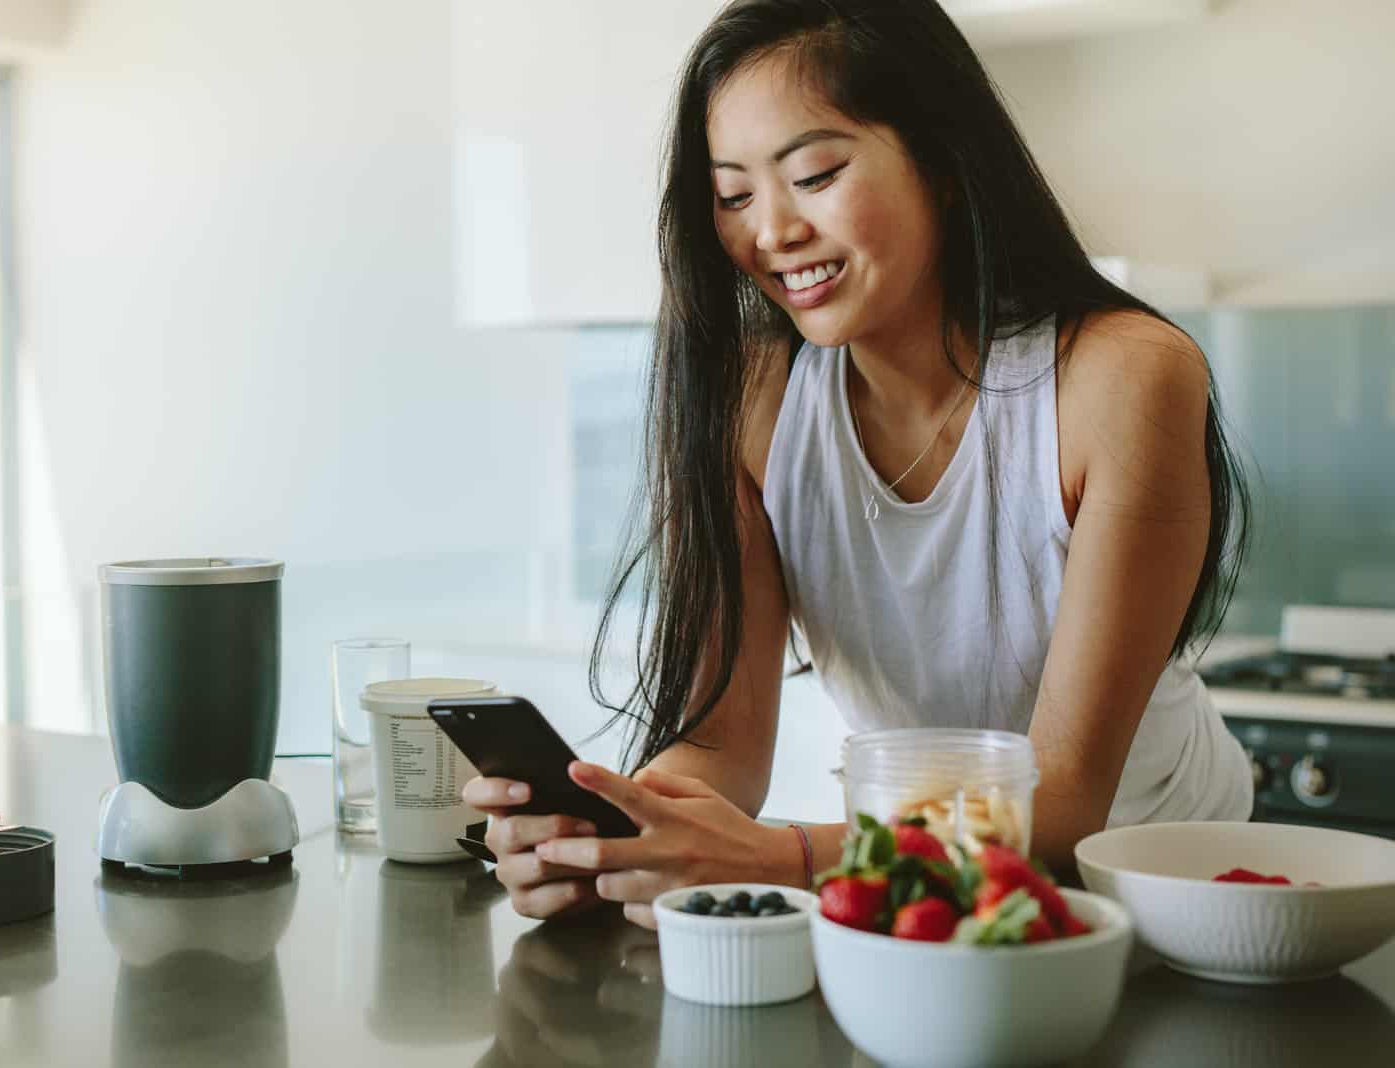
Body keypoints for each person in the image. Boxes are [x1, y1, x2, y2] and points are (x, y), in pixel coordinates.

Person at [462, 0, 1253, 929]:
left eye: (815, 174)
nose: (772, 231)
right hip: (919, 894)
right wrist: (621, 834)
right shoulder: (753, 395)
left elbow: (1068, 800)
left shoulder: (1120, 375)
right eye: (733, 195)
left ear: (944, 161)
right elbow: (716, 742)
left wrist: (781, 855)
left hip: (1166, 893)